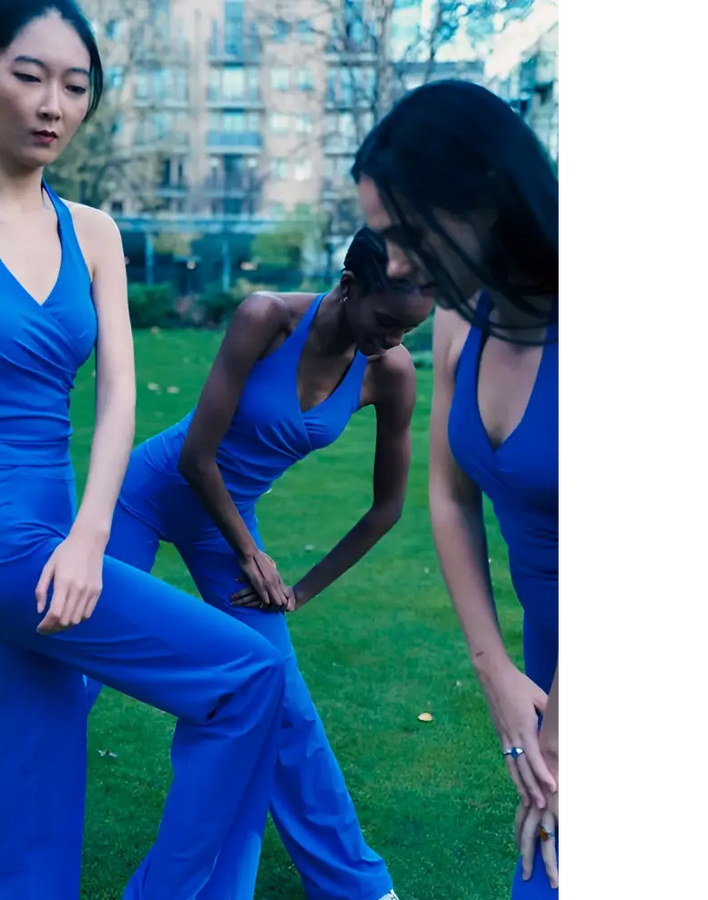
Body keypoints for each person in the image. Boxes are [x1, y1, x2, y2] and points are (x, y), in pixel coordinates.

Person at [0, 2, 290, 898]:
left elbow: (118, 395)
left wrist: (90, 535)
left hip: (62, 521)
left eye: (75, 85)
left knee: (39, 748)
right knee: (248, 677)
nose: (52, 104)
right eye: (29, 75)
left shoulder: (94, 233)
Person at [83, 227, 432, 900]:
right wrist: (252, 553)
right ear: (349, 285)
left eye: (408, 332)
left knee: (285, 702)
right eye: (386, 323)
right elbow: (195, 457)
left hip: (229, 519)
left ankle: (358, 884)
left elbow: (386, 508)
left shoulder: (389, 373)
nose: (392, 341)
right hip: (152, 493)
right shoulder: (266, 317)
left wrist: (298, 590)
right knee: (76, 665)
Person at [351, 79, 561, 896]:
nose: (394, 265)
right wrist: (497, 673)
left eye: (404, 235)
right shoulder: (460, 316)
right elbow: (448, 493)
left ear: (482, 197)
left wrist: (553, 741)